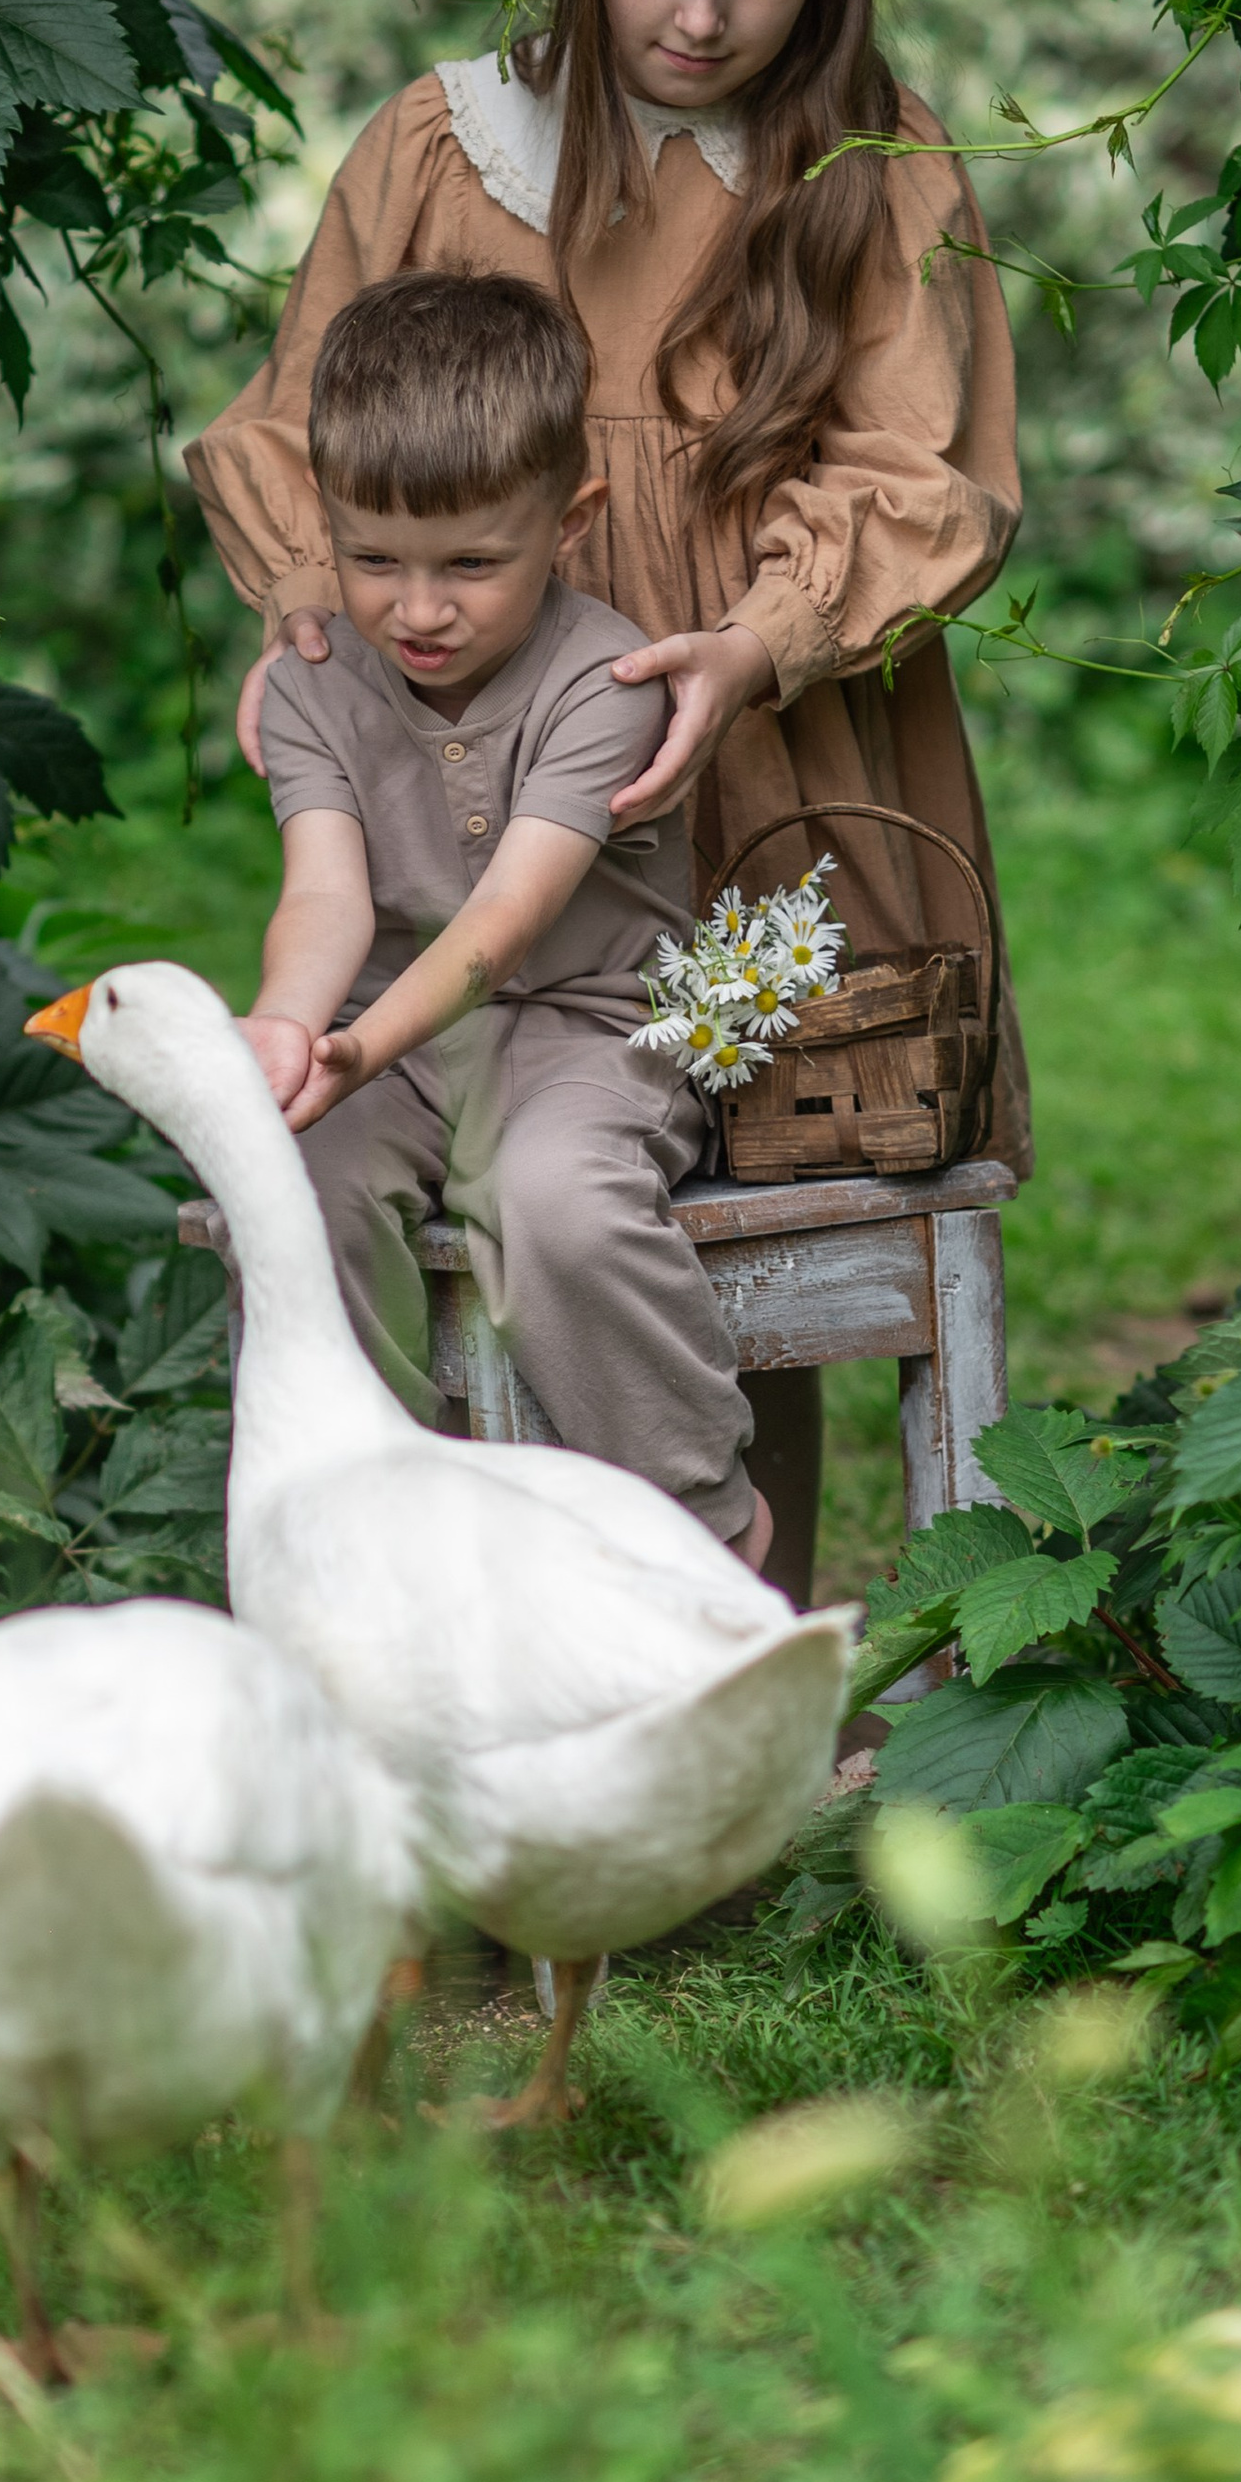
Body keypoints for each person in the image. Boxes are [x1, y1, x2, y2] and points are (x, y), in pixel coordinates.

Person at [188, 0, 1026, 1598]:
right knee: (481, 1148)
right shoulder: (445, 149)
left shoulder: (869, 174)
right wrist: (316, 615)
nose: (702, 15)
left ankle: (739, 1620)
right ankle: (449, 1598)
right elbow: (306, 419)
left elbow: (928, 471)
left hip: (767, 760)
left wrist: (753, 638)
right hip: (474, 778)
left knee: (731, 1161)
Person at [239, 264, 769, 1563]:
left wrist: (363, 1046)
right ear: (328, 523)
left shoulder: (607, 675)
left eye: (471, 564)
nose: (417, 610)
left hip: (589, 1032)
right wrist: (292, 1033)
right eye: (374, 560)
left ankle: (697, 1526)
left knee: (556, 1200)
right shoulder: (314, 683)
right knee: (297, 1183)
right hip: (396, 1040)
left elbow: (503, 925)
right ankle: (359, 1527)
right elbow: (325, 894)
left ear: (570, 518)